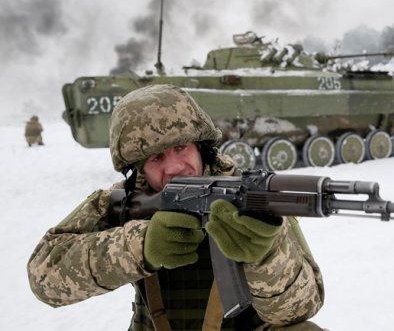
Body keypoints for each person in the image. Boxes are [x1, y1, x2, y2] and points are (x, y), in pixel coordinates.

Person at [27, 84, 325, 330]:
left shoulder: (248, 200)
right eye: (155, 158)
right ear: (138, 167)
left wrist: (265, 256)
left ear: (201, 146)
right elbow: (44, 277)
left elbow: (302, 308)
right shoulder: (125, 201)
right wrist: (140, 246)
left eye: (181, 148)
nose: (174, 168)